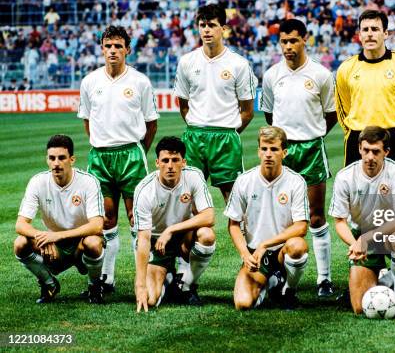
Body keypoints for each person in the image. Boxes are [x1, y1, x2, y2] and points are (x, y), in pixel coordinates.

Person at [77, 25, 159, 292]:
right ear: (102, 49)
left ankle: (142, 276)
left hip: (131, 155)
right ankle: (107, 278)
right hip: (100, 157)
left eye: (118, 46)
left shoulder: (139, 82)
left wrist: (138, 151)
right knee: (107, 218)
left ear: (127, 50)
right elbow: (88, 122)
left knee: (136, 217)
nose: (112, 51)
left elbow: (151, 124)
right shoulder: (90, 82)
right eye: (108, 46)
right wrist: (101, 143)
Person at [261, 19, 337, 298]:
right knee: (282, 218)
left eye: (293, 40)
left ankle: (324, 279)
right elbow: (270, 115)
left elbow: (331, 114)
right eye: (284, 41)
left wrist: (311, 134)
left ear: (305, 39)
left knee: (316, 216)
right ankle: (280, 271)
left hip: (312, 150)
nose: (288, 47)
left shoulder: (321, 75)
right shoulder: (271, 75)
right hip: (284, 152)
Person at [174, 3, 257, 202]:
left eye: (211, 25)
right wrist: (197, 125)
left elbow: (247, 111)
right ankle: (193, 234)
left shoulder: (239, 64)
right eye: (202, 25)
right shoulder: (187, 61)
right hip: (194, 137)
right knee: (189, 198)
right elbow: (183, 105)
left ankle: (241, 233)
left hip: (226, 137)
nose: (206, 30)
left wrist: (229, 131)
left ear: (224, 28)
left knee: (234, 198)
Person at [330, 126, 395, 318]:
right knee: (361, 307)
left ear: (386, 152)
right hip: (362, 236)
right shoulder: (345, 177)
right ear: (359, 148)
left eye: (376, 151)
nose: (370, 157)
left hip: (390, 231)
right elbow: (340, 221)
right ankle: (387, 278)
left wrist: (365, 240)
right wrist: (355, 245)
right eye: (366, 150)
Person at [14, 135, 105, 304]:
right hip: (54, 246)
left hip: (81, 244)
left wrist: (57, 236)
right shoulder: (37, 182)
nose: (56, 163)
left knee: (94, 242)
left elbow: (97, 225)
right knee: (20, 243)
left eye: (62, 158)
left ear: (72, 159)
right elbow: (20, 224)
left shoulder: (88, 182)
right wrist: (42, 236)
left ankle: (95, 286)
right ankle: (49, 284)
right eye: (52, 158)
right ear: (47, 160)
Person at [226, 126, 309, 310]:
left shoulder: (295, 181)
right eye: (264, 149)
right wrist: (245, 254)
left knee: (298, 246)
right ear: (258, 151)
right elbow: (233, 224)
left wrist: (266, 244)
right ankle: (269, 285)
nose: (268, 154)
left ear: (284, 152)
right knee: (242, 304)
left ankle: (288, 291)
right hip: (255, 254)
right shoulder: (244, 181)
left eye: (274, 149)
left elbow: (301, 227)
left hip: (282, 251)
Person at [335, 9, 395, 182]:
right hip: (357, 139)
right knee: (356, 200)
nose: (370, 34)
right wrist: (356, 135)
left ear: (385, 33)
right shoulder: (346, 68)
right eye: (365, 30)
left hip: (393, 139)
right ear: (359, 35)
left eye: (375, 29)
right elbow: (343, 110)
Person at [134, 137, 216, 312]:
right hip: (157, 242)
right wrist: (140, 285)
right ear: (157, 163)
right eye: (165, 161)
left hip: (182, 235)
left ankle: (187, 285)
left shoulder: (193, 176)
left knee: (207, 235)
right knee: (150, 299)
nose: (170, 166)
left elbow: (209, 216)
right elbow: (143, 238)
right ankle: (169, 278)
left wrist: (171, 229)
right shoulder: (145, 190)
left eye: (175, 160)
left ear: (183, 162)